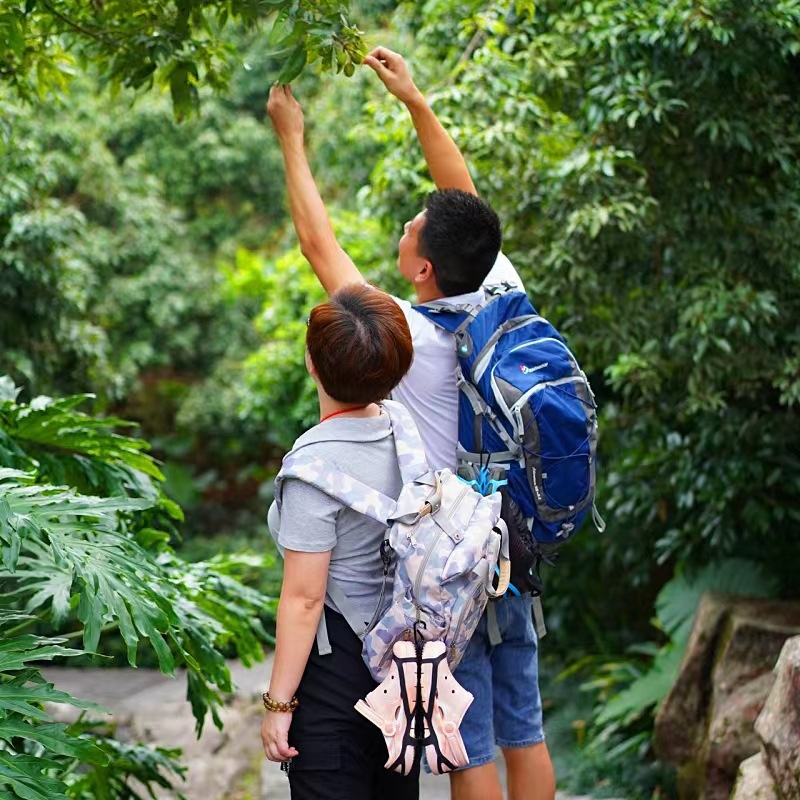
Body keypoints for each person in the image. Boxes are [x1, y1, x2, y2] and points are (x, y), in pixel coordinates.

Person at [266, 47, 556, 800]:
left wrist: (292, 139)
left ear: (422, 268)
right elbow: (468, 210)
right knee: (527, 728)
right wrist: (416, 102)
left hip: (445, 566)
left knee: (471, 745)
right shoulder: (500, 293)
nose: (405, 228)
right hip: (510, 541)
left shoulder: (405, 336)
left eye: (410, 229)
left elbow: (317, 246)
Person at [260, 283, 419, 799]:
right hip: (404, 671)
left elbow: (305, 599)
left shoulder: (310, 468)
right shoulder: (404, 430)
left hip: (336, 679)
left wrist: (279, 706)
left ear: (312, 362)